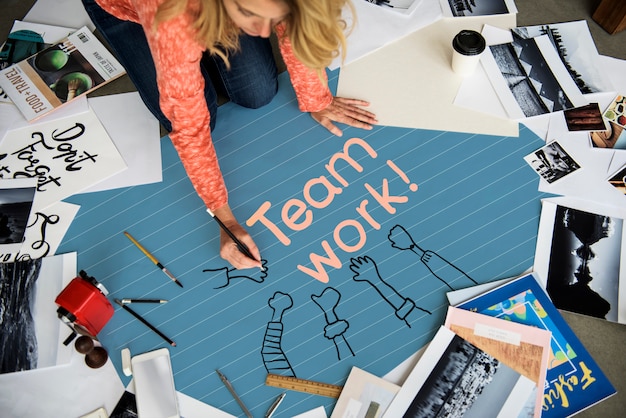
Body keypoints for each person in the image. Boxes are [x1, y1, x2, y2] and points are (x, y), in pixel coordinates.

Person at [81, 0, 377, 270]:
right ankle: (193, 43)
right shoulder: (170, 14)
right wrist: (225, 220)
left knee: (258, 92)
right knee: (200, 113)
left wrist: (316, 98)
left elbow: (298, 24)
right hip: (132, 9)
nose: (262, 31)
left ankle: (209, 37)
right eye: (250, 15)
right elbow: (190, 126)